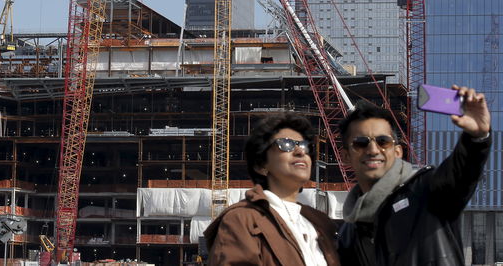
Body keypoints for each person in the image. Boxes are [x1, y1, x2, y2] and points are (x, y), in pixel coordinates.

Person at [338, 86, 491, 266]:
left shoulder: (427, 190)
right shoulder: (348, 234)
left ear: (397, 152)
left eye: (383, 142)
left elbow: (462, 172)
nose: (373, 150)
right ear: (345, 156)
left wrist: (477, 138)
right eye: (361, 143)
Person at [204, 114, 340, 265]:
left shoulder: (320, 224)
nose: (300, 152)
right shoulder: (242, 219)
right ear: (261, 165)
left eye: (304, 145)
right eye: (286, 144)